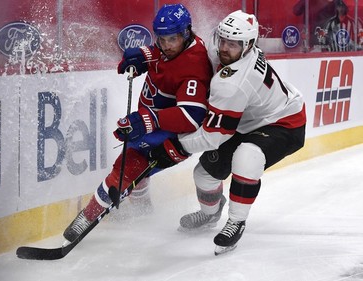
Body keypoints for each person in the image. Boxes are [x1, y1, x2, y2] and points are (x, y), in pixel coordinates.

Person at [149, 10, 307, 255]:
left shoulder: (234, 82)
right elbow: (186, 47)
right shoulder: (223, 53)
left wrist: (176, 146)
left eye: (232, 44)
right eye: (222, 40)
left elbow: (214, 136)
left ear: (249, 45)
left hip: (284, 122)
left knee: (247, 156)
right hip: (247, 120)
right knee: (204, 175)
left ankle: (236, 221)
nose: (224, 48)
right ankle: (209, 214)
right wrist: (146, 55)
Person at [62, 3, 213, 242]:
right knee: (135, 167)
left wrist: (149, 119)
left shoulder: (193, 67)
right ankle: (142, 210)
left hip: (171, 136)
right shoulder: (178, 46)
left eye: (171, 39)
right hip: (153, 125)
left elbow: (191, 116)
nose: (165, 45)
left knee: (125, 169)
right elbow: (162, 55)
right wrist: (145, 56)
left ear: (185, 33)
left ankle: (86, 218)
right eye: (160, 39)